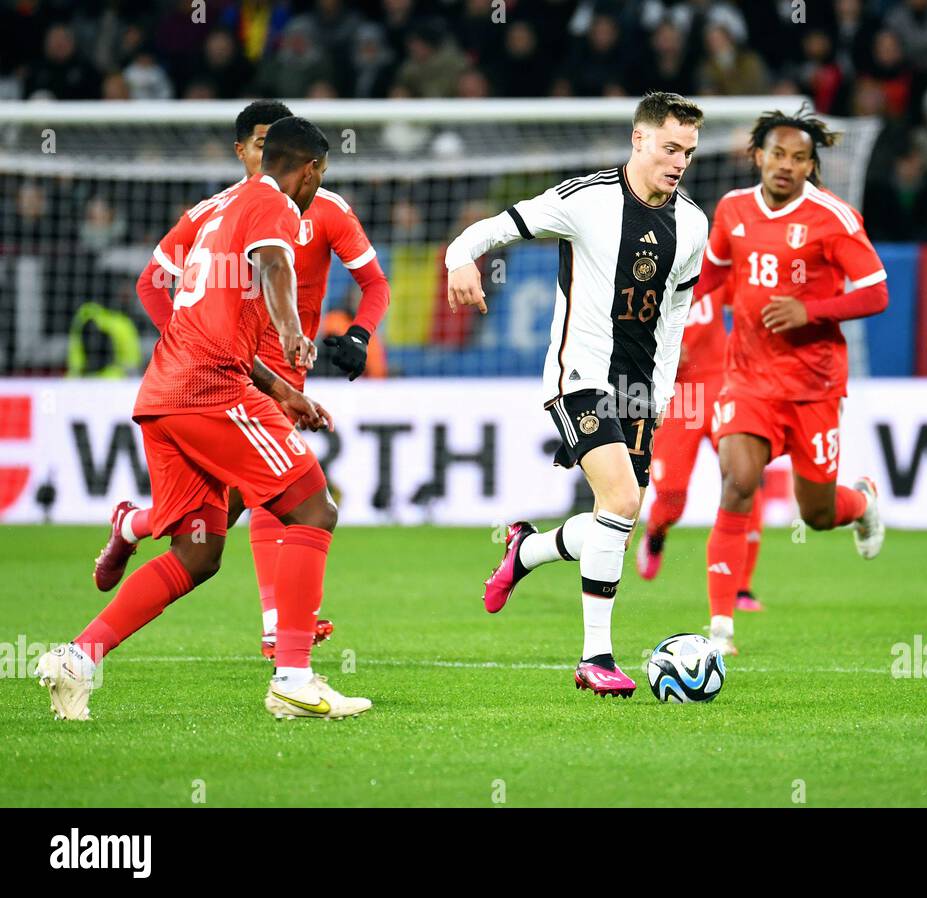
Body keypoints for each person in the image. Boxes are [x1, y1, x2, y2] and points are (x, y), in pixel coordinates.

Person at [38, 117, 372, 720]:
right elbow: (275, 265)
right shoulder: (273, 206)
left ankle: (77, 658)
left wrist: (282, 391)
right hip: (209, 391)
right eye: (318, 178)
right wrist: (295, 333)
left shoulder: (219, 209)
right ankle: (293, 677)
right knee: (312, 507)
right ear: (312, 170)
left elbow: (202, 313)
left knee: (198, 552)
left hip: (166, 392)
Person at [94, 99, 390, 661]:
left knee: (209, 530)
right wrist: (187, 338)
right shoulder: (216, 211)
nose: (264, 154)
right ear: (245, 151)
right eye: (257, 143)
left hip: (269, 376)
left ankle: (133, 529)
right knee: (287, 501)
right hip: (224, 377)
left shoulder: (323, 209)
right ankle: (282, 636)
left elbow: (376, 284)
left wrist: (358, 335)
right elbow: (153, 282)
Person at [445, 92, 710, 698]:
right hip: (580, 376)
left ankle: (526, 551)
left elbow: (674, 315)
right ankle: (596, 657)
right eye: (670, 147)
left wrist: (662, 393)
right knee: (619, 497)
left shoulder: (692, 223)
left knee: (616, 516)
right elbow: (495, 229)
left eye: (688, 152)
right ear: (639, 140)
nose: (680, 162)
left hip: (639, 389)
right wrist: (460, 258)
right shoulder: (584, 199)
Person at [691, 107, 889, 655]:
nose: (786, 165)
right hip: (748, 379)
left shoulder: (835, 218)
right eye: (777, 154)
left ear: (810, 166)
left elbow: (876, 291)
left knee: (817, 514)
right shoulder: (732, 210)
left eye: (799, 158)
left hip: (814, 386)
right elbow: (713, 274)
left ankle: (862, 503)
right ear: (758, 155)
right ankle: (720, 630)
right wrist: (673, 311)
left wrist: (812, 310)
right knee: (737, 481)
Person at [636, 280, 769, 612]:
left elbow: (746, 304)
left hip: (721, 382)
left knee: (744, 477)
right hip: (681, 394)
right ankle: (656, 531)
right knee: (672, 493)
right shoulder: (649, 272)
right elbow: (628, 332)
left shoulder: (712, 268)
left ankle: (741, 587)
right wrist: (660, 353)